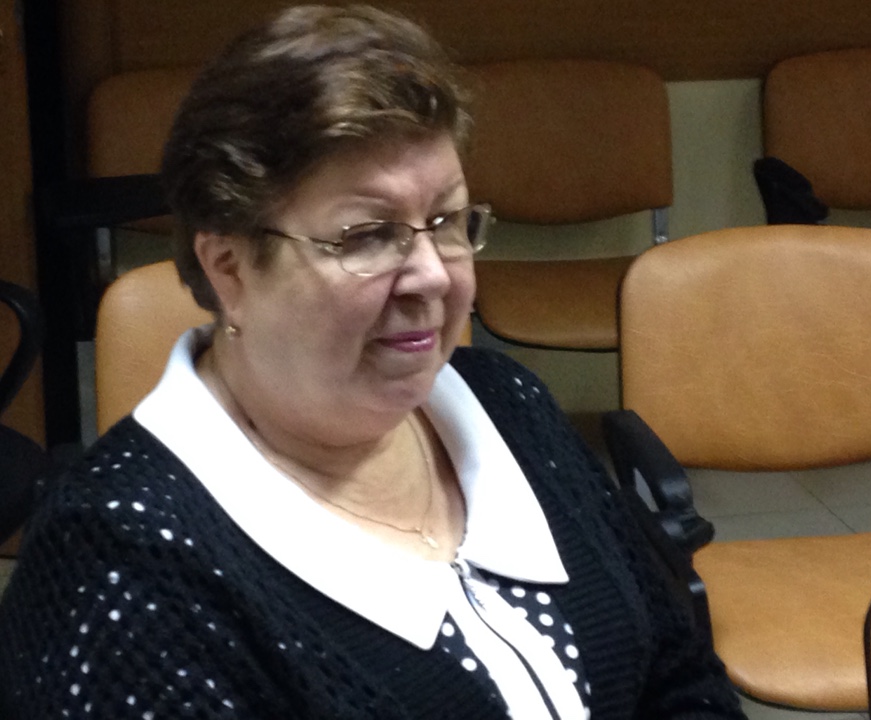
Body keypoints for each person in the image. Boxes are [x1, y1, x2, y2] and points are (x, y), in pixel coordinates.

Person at [0, 5, 747, 718]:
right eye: (366, 235)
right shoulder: (117, 559)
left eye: (446, 220)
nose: (432, 275)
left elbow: (677, 675)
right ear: (229, 267)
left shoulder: (506, 405)